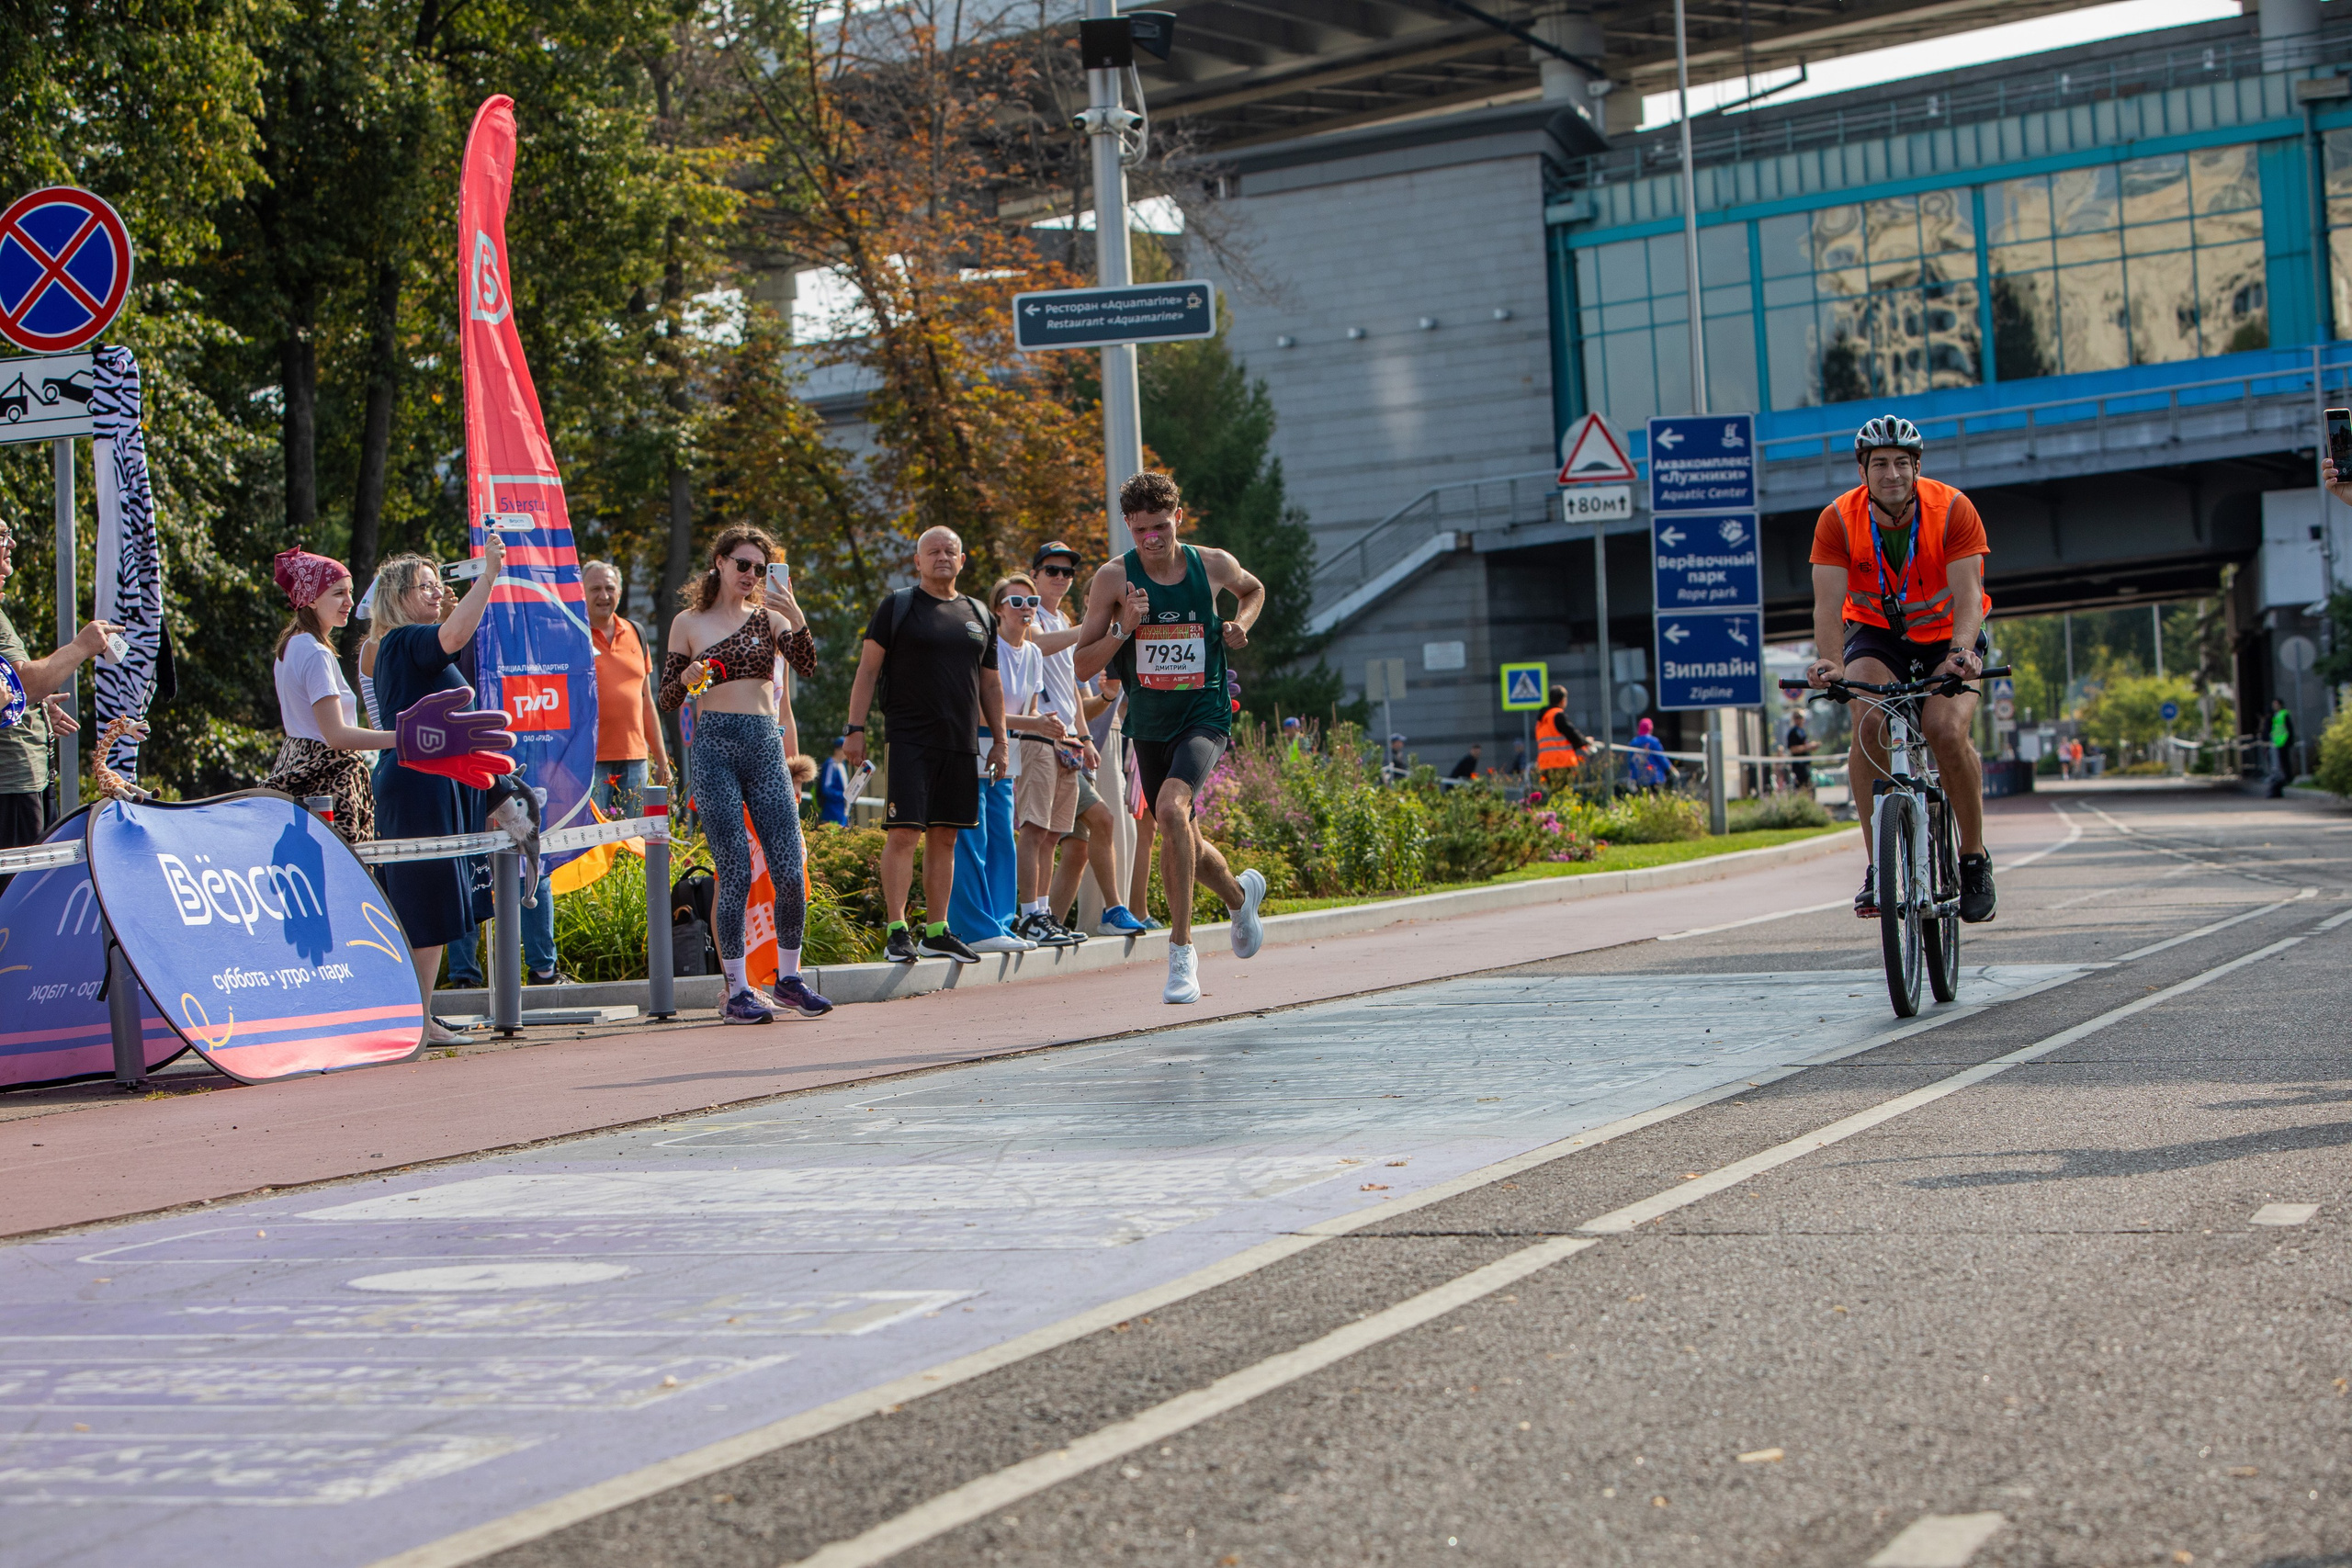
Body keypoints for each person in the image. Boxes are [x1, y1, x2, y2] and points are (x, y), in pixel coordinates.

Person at [1073, 471, 1269, 1005]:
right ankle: (1239, 895)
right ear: (1129, 529)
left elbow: (1253, 589)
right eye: (1141, 532)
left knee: (1171, 809)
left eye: (1161, 527)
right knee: (1184, 834)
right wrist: (1122, 629)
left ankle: (1182, 955)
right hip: (1150, 723)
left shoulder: (1212, 565)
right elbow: (1080, 664)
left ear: (1178, 516)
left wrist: (1239, 623)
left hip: (1205, 713)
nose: (1153, 540)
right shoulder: (1114, 580)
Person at [1805, 414, 1996, 923]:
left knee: (1944, 731)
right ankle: (1878, 866)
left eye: (1902, 464)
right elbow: (1828, 607)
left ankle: (1973, 858)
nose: (1892, 474)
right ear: (1863, 471)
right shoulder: (1838, 519)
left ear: (1917, 468)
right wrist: (1830, 663)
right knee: (1867, 721)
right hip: (1877, 635)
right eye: (1880, 464)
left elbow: (1969, 596)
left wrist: (1962, 653)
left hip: (1947, 638)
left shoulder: (1954, 509)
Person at [659, 525, 832, 1024]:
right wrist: (687, 678)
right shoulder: (688, 623)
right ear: (719, 562)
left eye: (760, 567)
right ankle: (736, 989)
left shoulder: (771, 618)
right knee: (734, 869)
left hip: (764, 743)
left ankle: (789, 978)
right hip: (713, 744)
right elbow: (667, 698)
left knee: (788, 869)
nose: (751, 575)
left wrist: (795, 613)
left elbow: (808, 664)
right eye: (743, 565)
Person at [366, 543, 517, 1044]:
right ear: (397, 597)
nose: (437, 592)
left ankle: (418, 1016)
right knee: (425, 905)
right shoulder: (403, 640)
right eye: (425, 586)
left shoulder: (410, 644)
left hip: (434, 784)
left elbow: (450, 637)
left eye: (438, 583)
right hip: (417, 786)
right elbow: (452, 636)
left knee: (433, 904)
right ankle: (416, 1020)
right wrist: (489, 576)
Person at [842, 525, 1005, 966]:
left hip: (961, 742)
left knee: (946, 835)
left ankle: (937, 930)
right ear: (917, 561)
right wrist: (854, 729)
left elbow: (991, 686)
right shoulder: (898, 606)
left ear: (962, 559)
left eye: (950, 550)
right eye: (932, 551)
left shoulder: (979, 614)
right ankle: (897, 930)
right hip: (910, 738)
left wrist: (1001, 742)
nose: (941, 557)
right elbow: (867, 671)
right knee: (903, 833)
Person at [1026, 540, 1148, 939]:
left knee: (1075, 848)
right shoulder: (1030, 615)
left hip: (1071, 745)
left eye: (1067, 572)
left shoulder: (1062, 619)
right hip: (1044, 742)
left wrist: (1091, 728)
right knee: (1100, 819)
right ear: (1035, 576)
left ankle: (1049, 925)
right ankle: (1113, 909)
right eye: (1052, 571)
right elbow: (1036, 646)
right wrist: (1098, 622)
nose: (1060, 577)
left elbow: (1074, 696)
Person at [0, 517, 106, 885]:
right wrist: (82, 646)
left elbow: (14, 690)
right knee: (18, 901)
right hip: (12, 787)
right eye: (2, 538)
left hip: (23, 782)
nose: (10, 551)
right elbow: (23, 682)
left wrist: (37, 705)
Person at [963, 573, 1059, 953]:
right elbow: (981, 713)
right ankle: (978, 925)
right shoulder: (989, 648)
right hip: (980, 744)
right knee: (978, 835)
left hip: (1010, 748)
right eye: (1016, 602)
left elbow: (1030, 709)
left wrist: (1045, 726)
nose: (1026, 610)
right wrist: (1032, 724)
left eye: (1032, 603)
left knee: (1004, 837)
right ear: (998, 609)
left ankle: (1002, 923)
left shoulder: (1034, 653)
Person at [264, 548, 382, 843]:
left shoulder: (291, 646)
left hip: (295, 766)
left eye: (351, 592)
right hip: (327, 781)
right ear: (312, 599)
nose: (350, 602)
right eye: (338, 593)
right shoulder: (315, 653)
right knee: (342, 875)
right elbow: (336, 736)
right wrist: (403, 738)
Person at [583, 560, 670, 819]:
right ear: (581, 592)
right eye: (595, 588)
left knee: (637, 842)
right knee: (594, 842)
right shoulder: (573, 635)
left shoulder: (636, 632)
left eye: (610, 588)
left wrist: (662, 760)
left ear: (620, 592)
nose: (604, 595)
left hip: (635, 758)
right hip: (590, 761)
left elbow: (646, 702)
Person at [1534, 686, 1592, 794]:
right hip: (1561, 763)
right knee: (1564, 793)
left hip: (1545, 764)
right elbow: (1571, 733)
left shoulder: (1542, 720)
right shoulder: (1557, 715)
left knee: (1553, 793)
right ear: (1563, 700)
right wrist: (1585, 741)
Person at [1624, 716, 1673, 788]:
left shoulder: (1633, 742)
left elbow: (1630, 761)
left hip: (1639, 777)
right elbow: (1661, 757)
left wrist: (1631, 776)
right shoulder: (1653, 741)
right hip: (1655, 777)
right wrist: (1671, 769)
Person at [817, 737, 852, 827]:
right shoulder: (831, 764)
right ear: (838, 749)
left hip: (842, 811)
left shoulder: (842, 765)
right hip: (832, 811)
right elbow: (827, 789)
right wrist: (843, 796)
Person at [1783, 707, 1815, 795]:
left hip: (1806, 764)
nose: (1798, 719)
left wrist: (1811, 747)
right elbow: (1793, 749)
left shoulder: (1802, 731)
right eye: (1796, 717)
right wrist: (1808, 747)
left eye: (1800, 717)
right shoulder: (1793, 732)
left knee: (1809, 788)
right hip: (1799, 766)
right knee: (1802, 788)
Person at [2267, 698, 2295, 795]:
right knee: (2280, 763)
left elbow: (2289, 728)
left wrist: (2290, 740)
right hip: (2277, 742)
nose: (2274, 706)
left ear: (2280, 705)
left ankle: (2288, 778)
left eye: (2275, 704)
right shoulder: (2276, 715)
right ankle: (2284, 778)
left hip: (2284, 741)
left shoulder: (2284, 714)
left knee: (2285, 761)